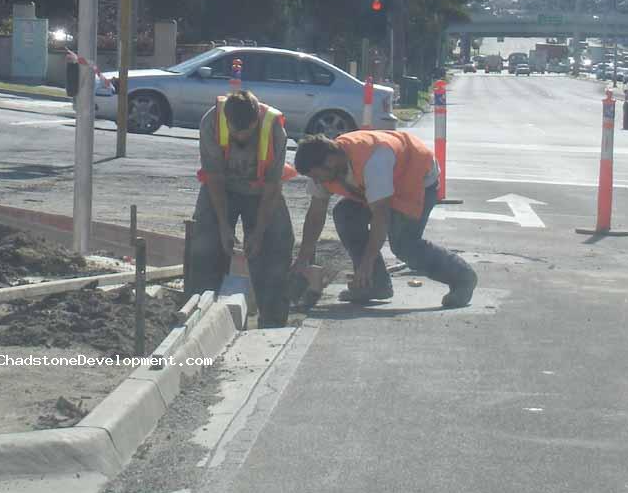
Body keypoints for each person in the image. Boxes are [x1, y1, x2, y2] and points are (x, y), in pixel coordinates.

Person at [290, 130, 478, 308]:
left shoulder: (374, 161)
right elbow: (315, 214)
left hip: (415, 179)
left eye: (316, 176)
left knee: (405, 244)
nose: (315, 181)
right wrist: (303, 259)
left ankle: (462, 278)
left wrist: (366, 264)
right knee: (346, 215)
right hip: (381, 186)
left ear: (330, 161)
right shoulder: (328, 165)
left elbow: (381, 216)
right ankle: (375, 285)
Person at [190, 90, 295, 327]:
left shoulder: (275, 129)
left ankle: (273, 321)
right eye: (234, 130)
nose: (239, 136)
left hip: (261, 192)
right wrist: (223, 226)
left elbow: (272, 186)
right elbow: (214, 177)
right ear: (227, 121)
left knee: (275, 246)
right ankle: (200, 315)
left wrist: (258, 233)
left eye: (245, 132)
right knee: (206, 242)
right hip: (221, 188)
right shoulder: (211, 123)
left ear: (256, 122)